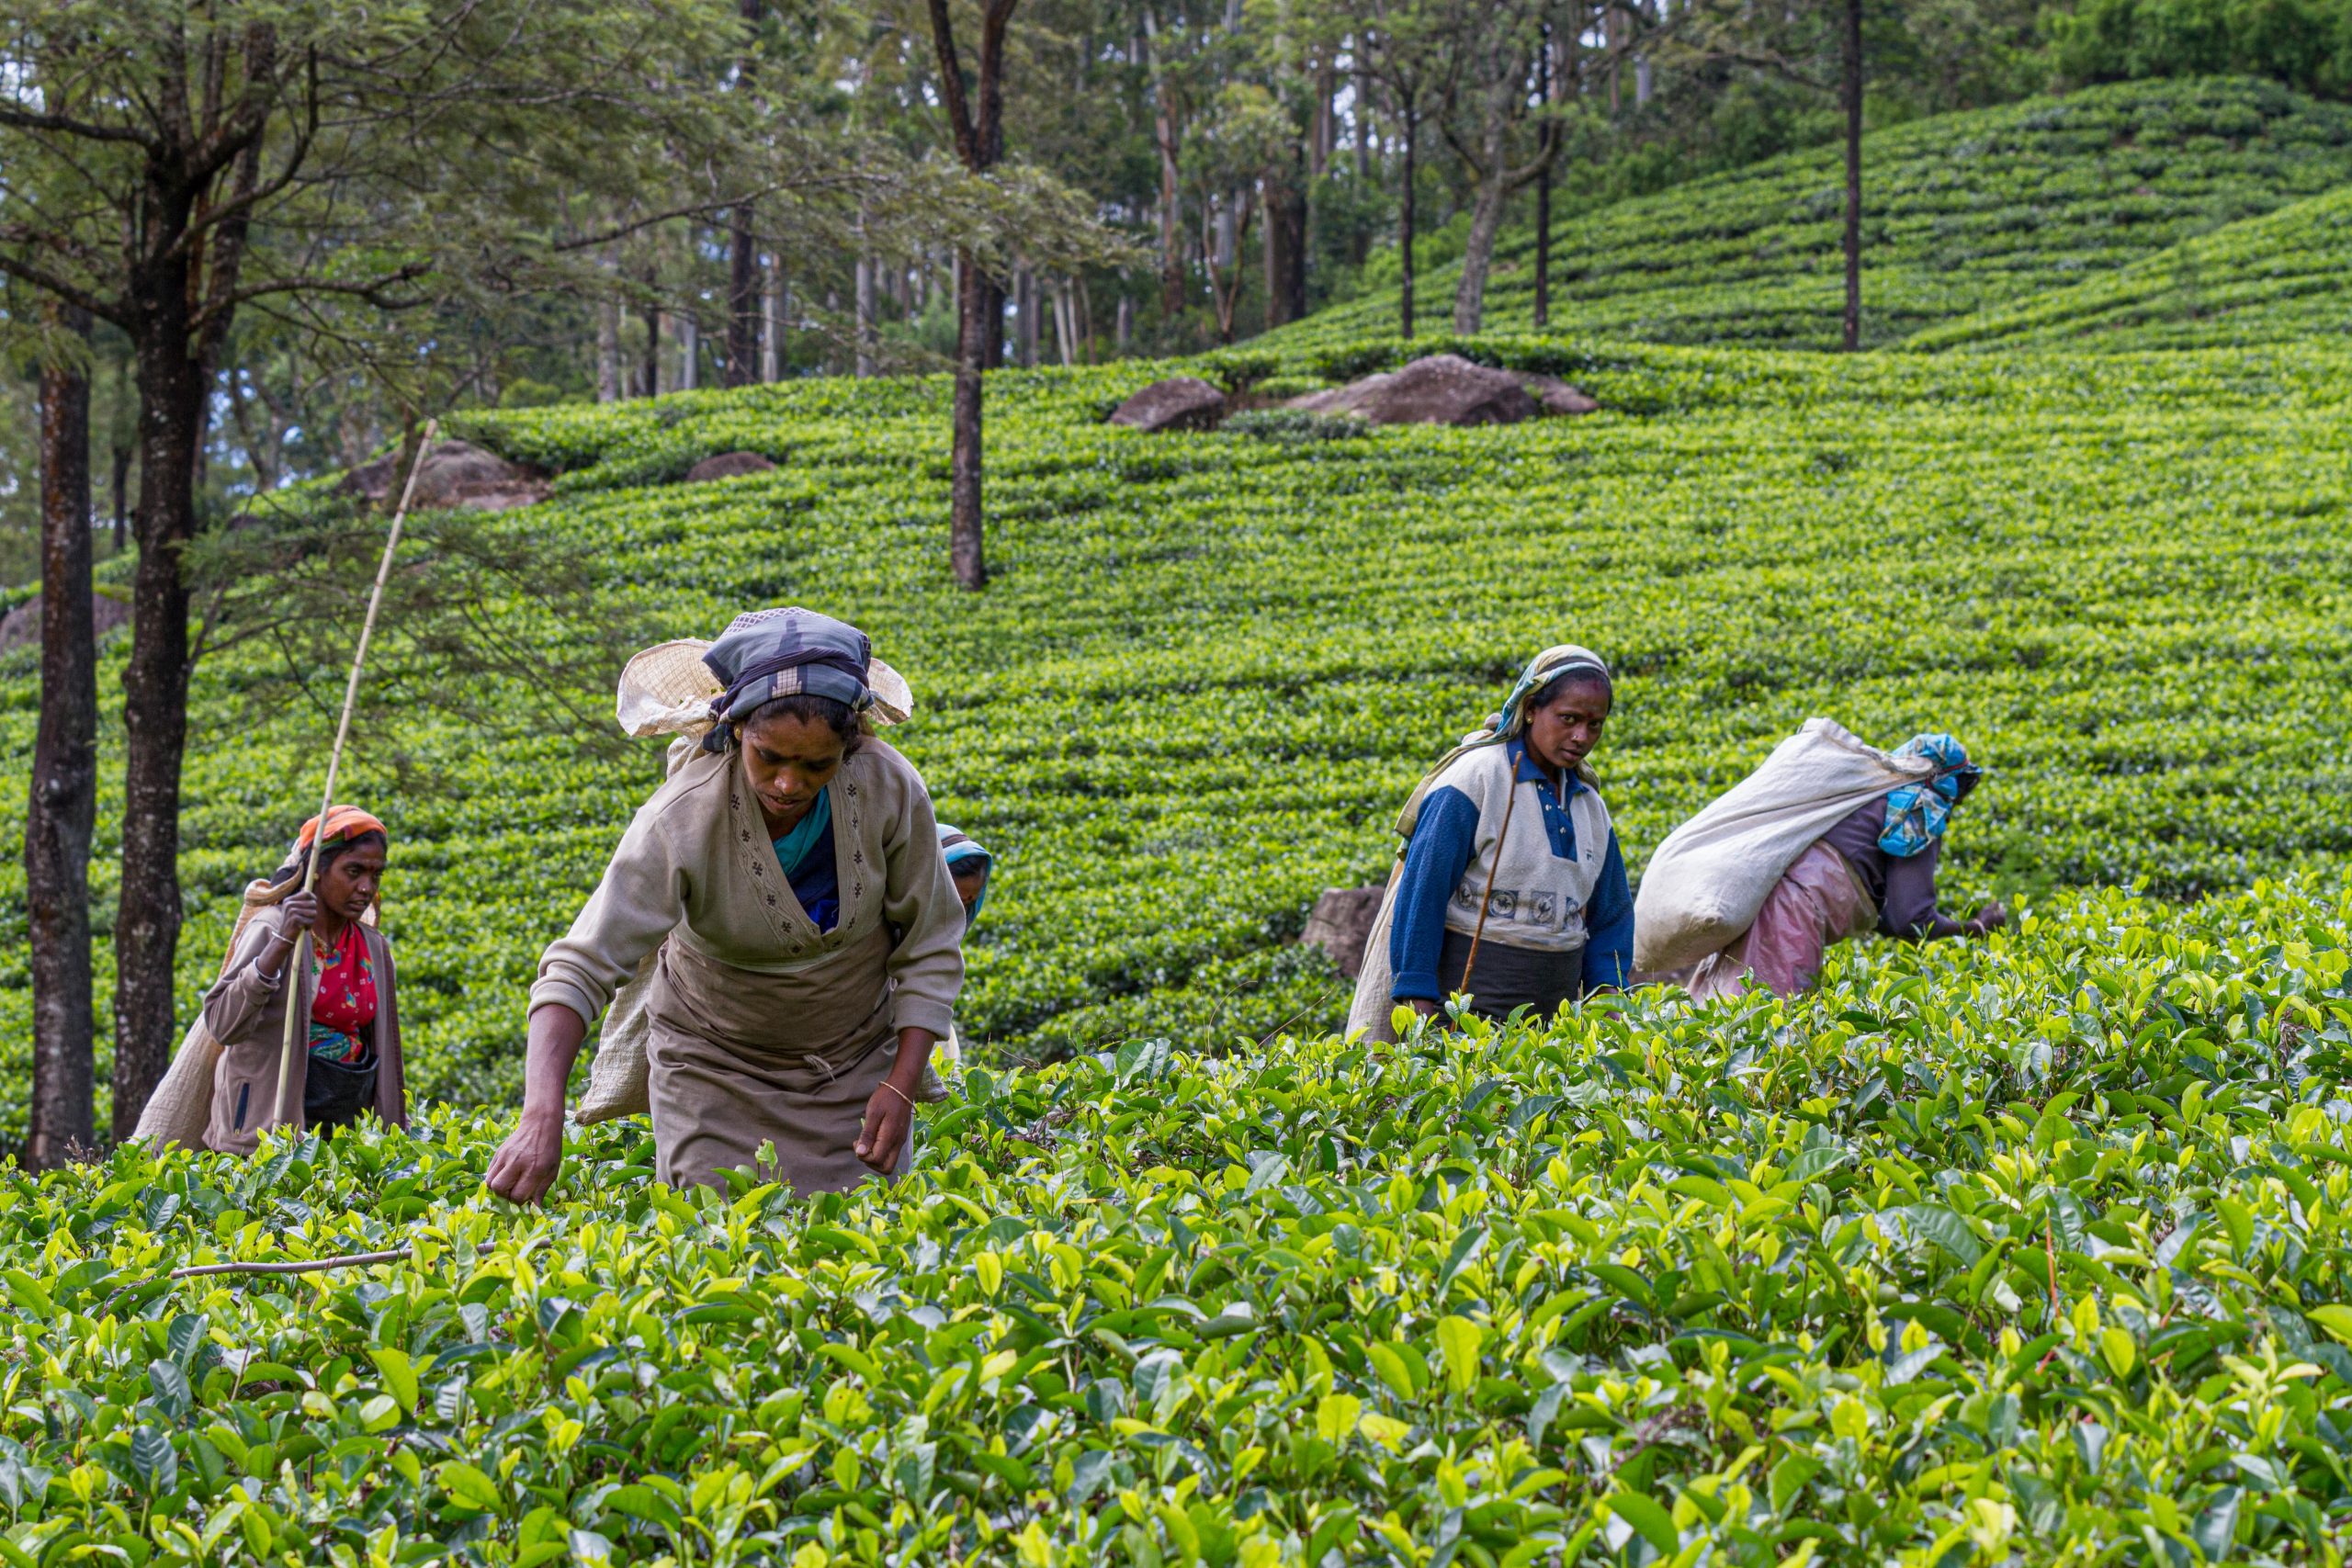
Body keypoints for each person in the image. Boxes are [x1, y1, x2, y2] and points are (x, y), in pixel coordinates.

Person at [487, 607, 964, 1201]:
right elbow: (579, 967)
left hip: (857, 1066)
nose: (789, 783)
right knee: (718, 1246)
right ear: (737, 729)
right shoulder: (682, 816)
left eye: (816, 764)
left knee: (862, 1251)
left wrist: (900, 1084)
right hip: (714, 1072)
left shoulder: (889, 789)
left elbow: (931, 945)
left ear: (850, 746)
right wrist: (540, 1116)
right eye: (769, 756)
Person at [1347, 646, 1635, 1037]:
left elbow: (1612, 914)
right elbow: (1423, 893)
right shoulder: (1476, 780)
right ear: (1531, 708)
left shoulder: (1589, 806)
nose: (1582, 736)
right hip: (1463, 1015)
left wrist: (1609, 1002)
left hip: (1551, 1026)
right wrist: (1418, 1002)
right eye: (1568, 719)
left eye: (1595, 725)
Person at [1684, 732, 2006, 1000]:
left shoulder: (1871, 796)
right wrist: (1976, 928)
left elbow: (1885, 911)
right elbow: (1910, 919)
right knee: (1767, 1032)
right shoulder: (1916, 811)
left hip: (1763, 902)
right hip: (1791, 914)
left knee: (1720, 1008)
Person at [201, 807, 408, 1154]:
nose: (366, 888)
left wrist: (393, 1129)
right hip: (265, 1130)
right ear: (317, 871)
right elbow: (223, 1024)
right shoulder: (270, 927)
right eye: (353, 871)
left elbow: (385, 1047)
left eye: (376, 876)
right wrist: (282, 942)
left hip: (343, 1130)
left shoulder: (372, 946)